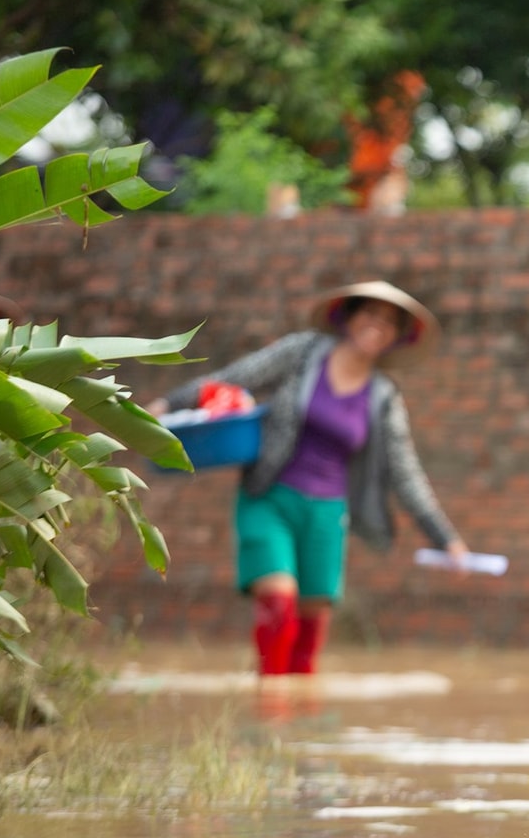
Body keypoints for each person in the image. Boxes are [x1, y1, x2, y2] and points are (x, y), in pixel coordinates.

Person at [149, 282, 469, 677]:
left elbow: (406, 473)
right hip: (270, 499)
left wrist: (445, 538)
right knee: (279, 606)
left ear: (396, 339)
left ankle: (297, 723)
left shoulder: (384, 398)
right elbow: (234, 379)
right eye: (370, 314)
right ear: (348, 317)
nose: (377, 326)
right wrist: (167, 405)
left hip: (327, 515)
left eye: (389, 323)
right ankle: (270, 705)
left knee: (308, 636)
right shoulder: (303, 353)